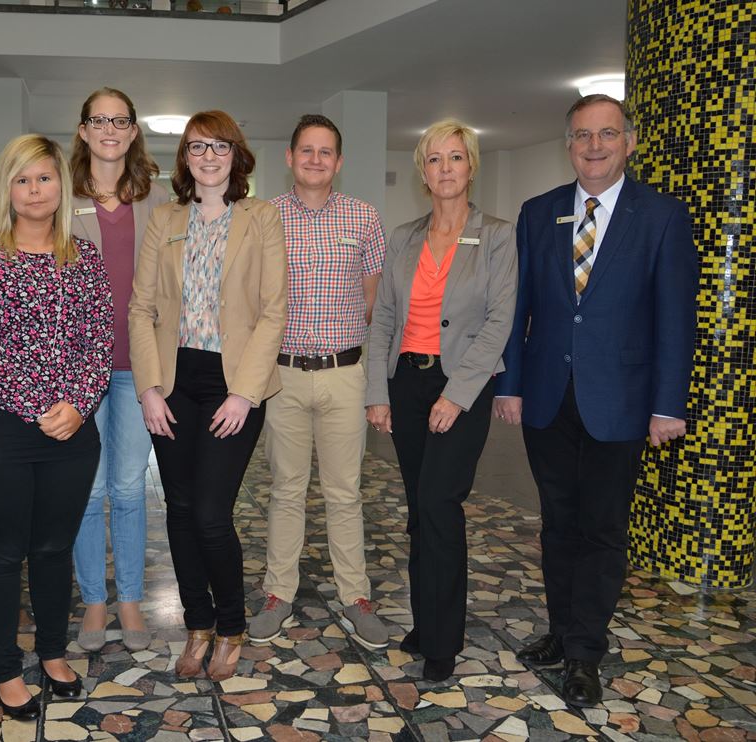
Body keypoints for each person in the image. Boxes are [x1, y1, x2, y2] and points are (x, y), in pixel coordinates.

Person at [494, 94, 698, 707]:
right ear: (569, 144)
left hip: (624, 401)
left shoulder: (660, 215)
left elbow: (675, 318)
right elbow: (518, 306)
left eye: (607, 135)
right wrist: (511, 386)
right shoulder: (539, 213)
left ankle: (586, 651)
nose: (595, 146)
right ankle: (560, 631)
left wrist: (669, 404)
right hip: (548, 399)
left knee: (603, 530)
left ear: (629, 143)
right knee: (557, 524)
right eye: (583, 135)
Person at [0, 134, 113, 720]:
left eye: (44, 178)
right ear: (8, 190)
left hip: (72, 433)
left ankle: (50, 652)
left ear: (60, 186)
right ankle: (3, 670)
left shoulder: (84, 257)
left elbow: (99, 340)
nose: (35, 190)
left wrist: (77, 404)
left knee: (52, 549)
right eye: (23, 180)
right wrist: (39, 403)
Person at [128, 110, 287, 681]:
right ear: (185, 157)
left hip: (234, 385)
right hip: (173, 383)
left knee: (213, 515)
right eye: (198, 147)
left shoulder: (261, 218)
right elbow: (141, 308)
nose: (209, 156)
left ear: (237, 155)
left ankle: (231, 625)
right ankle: (197, 625)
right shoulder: (164, 219)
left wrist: (244, 394)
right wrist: (148, 387)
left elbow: (273, 312)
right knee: (180, 509)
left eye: (220, 146)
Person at [365, 120, 517, 681]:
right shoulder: (403, 235)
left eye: (456, 157)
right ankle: (426, 621)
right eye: (435, 159)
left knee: (438, 505)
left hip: (463, 386)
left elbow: (500, 321)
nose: (446, 168)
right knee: (418, 510)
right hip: (406, 384)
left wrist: (455, 396)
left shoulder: (498, 235)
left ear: (471, 166)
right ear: (422, 172)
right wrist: (377, 393)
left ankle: (444, 639)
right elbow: (383, 317)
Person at [249, 114, 388, 650]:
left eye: (325, 151)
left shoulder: (363, 217)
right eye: (305, 150)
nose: (314, 159)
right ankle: (278, 593)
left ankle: (356, 596)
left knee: (344, 492)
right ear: (288, 157)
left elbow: (371, 298)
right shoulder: (264, 217)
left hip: (344, 374)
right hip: (282, 375)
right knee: (285, 490)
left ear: (339, 161)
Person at [69, 87, 169, 653]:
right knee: (87, 489)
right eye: (98, 120)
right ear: (83, 130)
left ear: (133, 131)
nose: (110, 129)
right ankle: (94, 601)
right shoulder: (61, 198)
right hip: (78, 372)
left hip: (138, 367)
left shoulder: (156, 201)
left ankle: (130, 599)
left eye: (121, 120)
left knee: (129, 489)